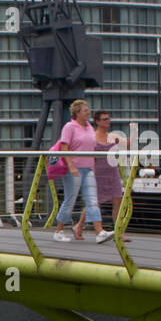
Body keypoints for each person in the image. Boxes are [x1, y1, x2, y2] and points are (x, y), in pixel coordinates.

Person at [53, 99, 112, 244]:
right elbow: (64, 147)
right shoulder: (70, 127)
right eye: (85, 110)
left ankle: (100, 232)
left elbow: (93, 147)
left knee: (92, 200)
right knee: (70, 200)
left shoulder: (89, 127)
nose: (88, 112)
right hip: (75, 168)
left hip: (89, 168)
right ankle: (59, 230)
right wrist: (71, 167)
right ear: (78, 113)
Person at [76, 110, 129, 241]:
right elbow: (90, 156)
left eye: (108, 119)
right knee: (94, 203)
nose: (107, 121)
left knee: (118, 201)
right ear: (98, 121)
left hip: (113, 172)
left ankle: (118, 232)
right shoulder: (92, 137)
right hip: (98, 174)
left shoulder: (112, 136)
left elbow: (127, 144)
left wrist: (134, 131)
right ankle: (79, 226)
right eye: (105, 119)